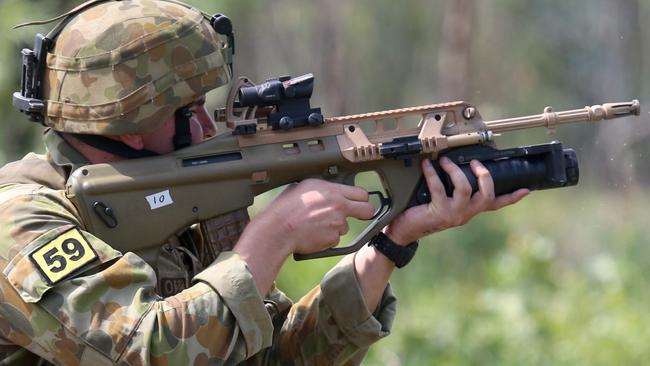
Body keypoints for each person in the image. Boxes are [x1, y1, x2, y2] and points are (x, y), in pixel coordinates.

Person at [0, 0, 528, 365]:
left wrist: (391, 243)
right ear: (131, 125)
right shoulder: (19, 223)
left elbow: (274, 355)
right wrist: (276, 232)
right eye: (190, 111)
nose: (208, 128)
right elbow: (149, 353)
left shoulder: (185, 204)